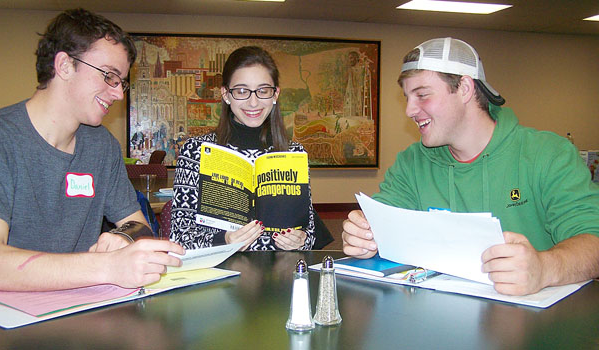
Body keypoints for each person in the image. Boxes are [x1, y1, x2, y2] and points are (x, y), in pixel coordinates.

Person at [342, 37, 599, 296]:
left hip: (534, 325)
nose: (409, 110)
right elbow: (381, 224)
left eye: (421, 95)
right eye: (407, 97)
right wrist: (364, 236)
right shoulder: (412, 163)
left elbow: (593, 243)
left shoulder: (548, 155)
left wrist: (545, 268)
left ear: (464, 88)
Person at [0, 8, 184, 292]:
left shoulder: (101, 145)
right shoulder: (5, 139)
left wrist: (125, 237)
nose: (118, 94)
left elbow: (139, 225)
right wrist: (109, 267)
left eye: (121, 82)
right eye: (109, 76)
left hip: (82, 309)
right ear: (64, 66)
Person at [171, 46, 315, 251]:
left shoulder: (294, 153)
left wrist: (300, 241)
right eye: (241, 91)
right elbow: (179, 237)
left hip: (279, 274)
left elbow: (309, 233)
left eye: (263, 91)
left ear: (275, 95)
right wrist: (225, 242)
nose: (253, 102)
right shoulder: (196, 151)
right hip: (220, 273)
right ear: (226, 95)